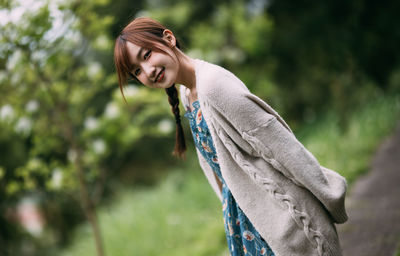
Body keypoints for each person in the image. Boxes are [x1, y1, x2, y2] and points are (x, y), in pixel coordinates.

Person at [114, 17, 348, 256]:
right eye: (137, 71)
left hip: (280, 220)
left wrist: (329, 195)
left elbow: (278, 143)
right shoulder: (187, 93)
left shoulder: (213, 85)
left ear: (169, 38)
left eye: (146, 55)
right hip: (245, 220)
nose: (148, 71)